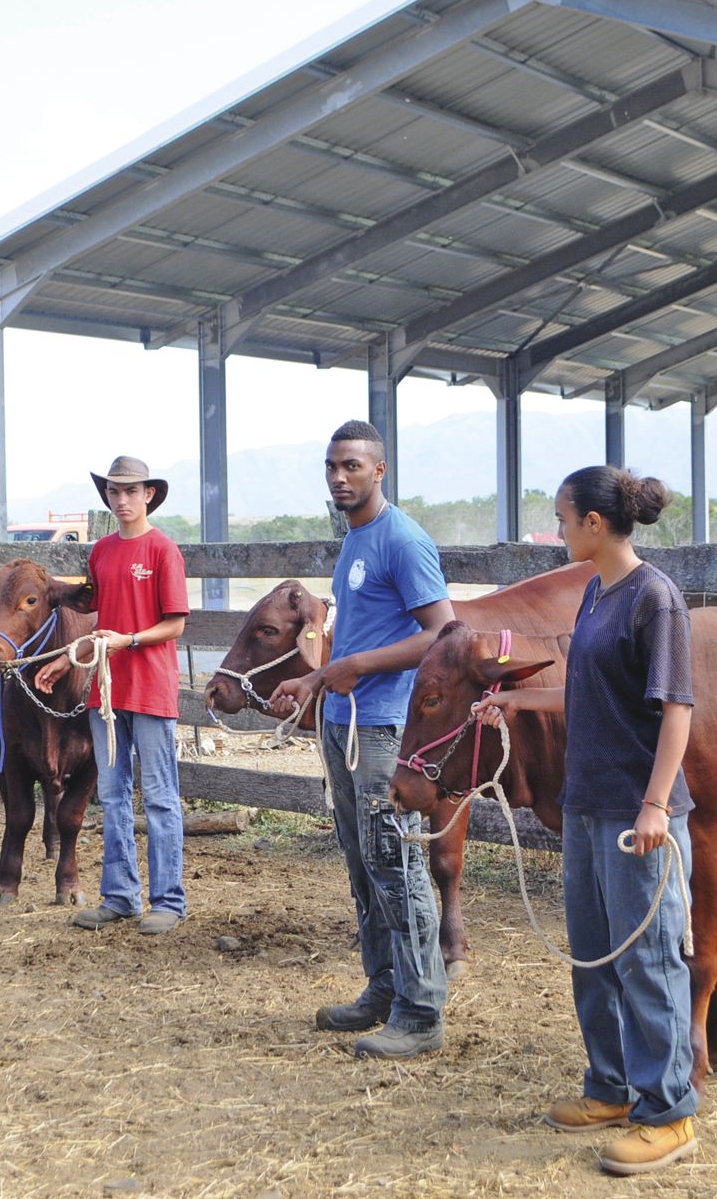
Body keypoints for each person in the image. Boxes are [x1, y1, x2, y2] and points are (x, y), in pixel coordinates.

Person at [474, 466, 699, 1176]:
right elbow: (587, 694)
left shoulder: (653, 599)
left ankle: (668, 1112)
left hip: (637, 813)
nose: (559, 531)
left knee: (648, 957)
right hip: (586, 805)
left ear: (594, 525)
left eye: (563, 519)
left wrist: (657, 802)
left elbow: (677, 710)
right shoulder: (596, 593)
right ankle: (608, 1085)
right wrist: (514, 705)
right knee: (594, 954)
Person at [269, 420, 456, 1060]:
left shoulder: (403, 540)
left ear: (380, 471)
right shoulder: (354, 540)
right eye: (332, 466)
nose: (339, 477)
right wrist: (314, 683)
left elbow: (444, 634)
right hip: (344, 724)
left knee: (397, 863)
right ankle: (383, 987)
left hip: (384, 728)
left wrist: (352, 668)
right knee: (364, 861)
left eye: (352, 466)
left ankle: (421, 1007)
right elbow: (353, 636)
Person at [37, 456, 190, 935]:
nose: (121, 500)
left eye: (130, 491)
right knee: (112, 792)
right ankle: (121, 896)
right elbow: (100, 626)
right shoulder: (101, 552)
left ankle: (168, 900)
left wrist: (131, 641)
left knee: (161, 797)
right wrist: (67, 658)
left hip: (150, 689)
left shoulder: (164, 551)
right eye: (113, 492)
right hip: (104, 690)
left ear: (149, 495)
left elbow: (176, 623)